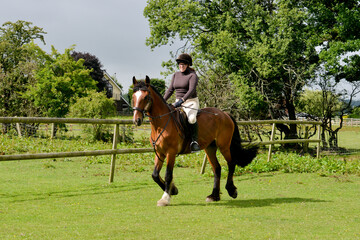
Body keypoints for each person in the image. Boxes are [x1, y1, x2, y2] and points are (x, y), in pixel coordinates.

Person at [163, 53, 201, 152]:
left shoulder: (192, 75)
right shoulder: (175, 75)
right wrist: (163, 101)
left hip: (190, 102)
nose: (181, 66)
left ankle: (194, 142)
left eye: (183, 64)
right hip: (178, 102)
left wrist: (182, 100)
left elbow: (191, 90)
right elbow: (170, 90)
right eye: (180, 64)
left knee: (192, 118)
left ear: (188, 65)